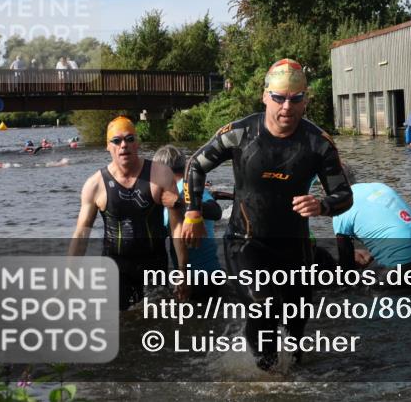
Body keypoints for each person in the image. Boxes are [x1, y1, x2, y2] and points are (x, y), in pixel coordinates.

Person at [181, 58, 353, 370]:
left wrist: (322, 206)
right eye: (279, 98)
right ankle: (265, 376)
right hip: (246, 242)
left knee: (297, 326)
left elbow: (345, 196)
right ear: (265, 96)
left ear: (305, 101)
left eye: (295, 99)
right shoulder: (239, 133)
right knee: (264, 307)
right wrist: (193, 213)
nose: (286, 107)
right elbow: (195, 164)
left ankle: (288, 378)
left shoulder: (319, 144)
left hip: (295, 248)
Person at [68, 116, 188, 310]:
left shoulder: (160, 174)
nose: (124, 145)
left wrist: (182, 271)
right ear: (108, 146)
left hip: (154, 263)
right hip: (115, 267)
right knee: (120, 324)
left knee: (157, 324)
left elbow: (176, 226)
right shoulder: (95, 184)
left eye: (129, 139)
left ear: (137, 143)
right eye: (117, 141)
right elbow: (82, 233)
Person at [323, 181, 411, 286]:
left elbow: (347, 270)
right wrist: (372, 255)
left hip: (403, 270)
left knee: (352, 288)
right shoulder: (379, 187)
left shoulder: (340, 212)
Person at [153, 144, 223, 278]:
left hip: (199, 278)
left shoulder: (187, 191)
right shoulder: (188, 191)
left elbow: (216, 212)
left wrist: (180, 203)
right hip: (210, 273)